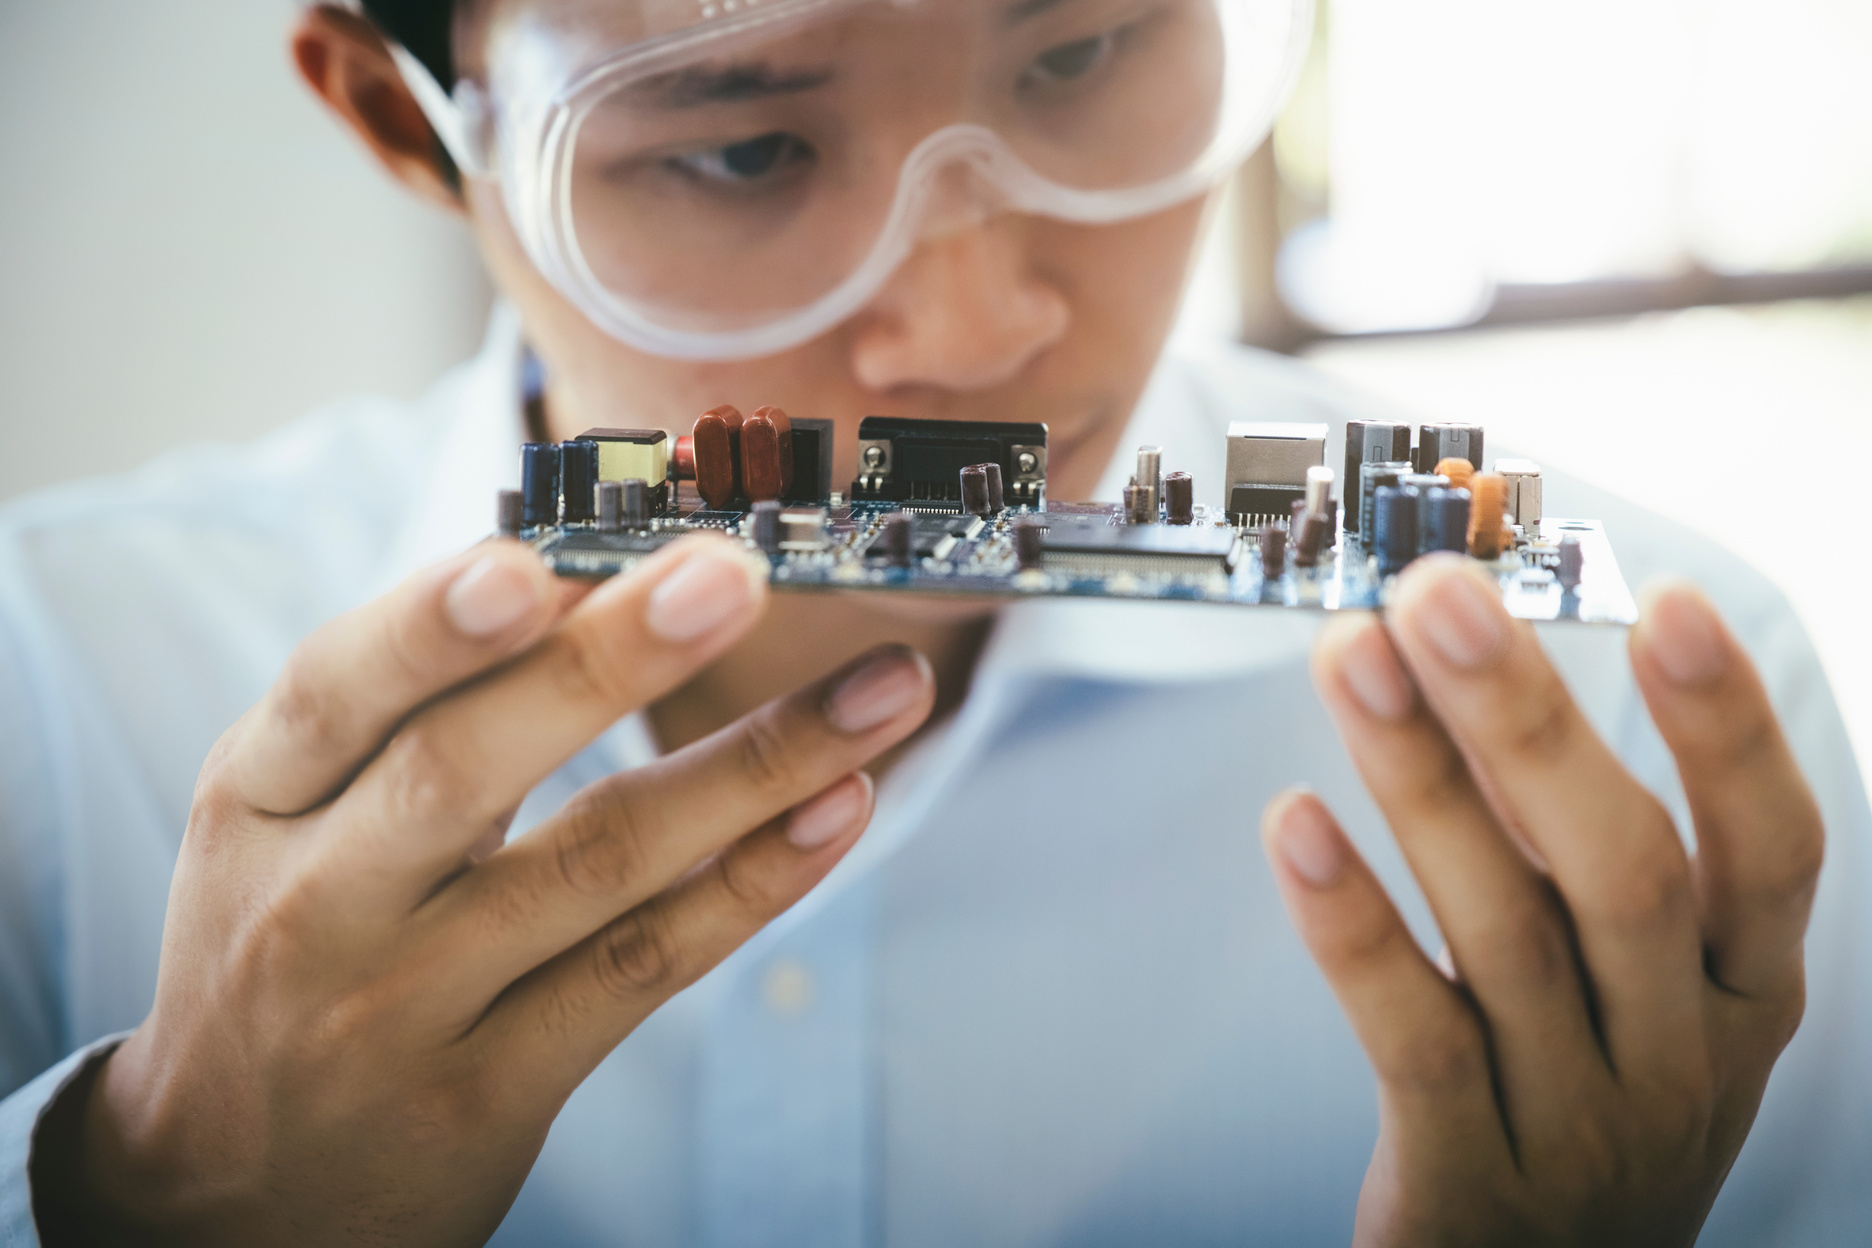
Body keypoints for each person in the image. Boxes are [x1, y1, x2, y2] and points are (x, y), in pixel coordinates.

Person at [0, 0, 1865, 1243]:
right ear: (406, 126)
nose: (975, 338)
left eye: (1082, 49)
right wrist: (150, 1202)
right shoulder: (54, 688)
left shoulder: (1638, 734)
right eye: (741, 151)